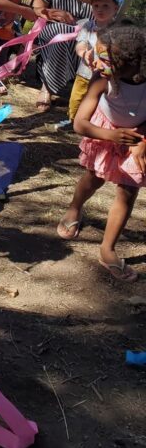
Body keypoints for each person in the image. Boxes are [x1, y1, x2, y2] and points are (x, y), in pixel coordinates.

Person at [57, 24, 146, 282]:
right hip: (103, 133)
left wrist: (142, 140)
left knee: (127, 192)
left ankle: (107, 249)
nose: (97, 61)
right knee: (93, 178)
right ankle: (75, 208)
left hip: (137, 139)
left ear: (131, 64)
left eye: (105, 57)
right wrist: (111, 136)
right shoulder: (101, 81)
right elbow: (80, 123)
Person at [65, 0, 120, 125]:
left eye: (105, 6)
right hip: (84, 72)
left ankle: (90, 123)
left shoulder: (119, 30)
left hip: (104, 76)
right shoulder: (87, 26)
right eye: (96, 6)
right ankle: (72, 121)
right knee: (76, 98)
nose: (100, 9)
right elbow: (80, 43)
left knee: (97, 101)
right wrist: (84, 53)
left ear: (116, 8)